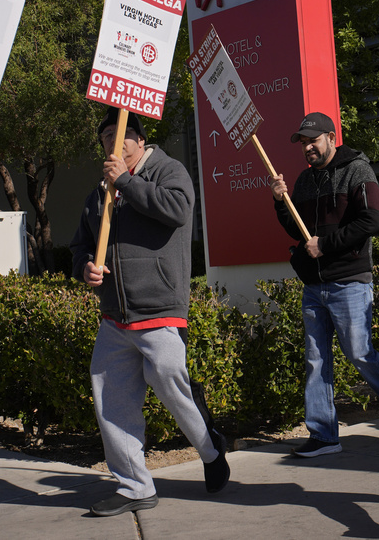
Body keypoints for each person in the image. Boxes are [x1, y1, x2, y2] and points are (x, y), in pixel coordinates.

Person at [71, 107, 228, 517]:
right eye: (106, 138)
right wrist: (85, 265)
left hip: (160, 309)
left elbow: (176, 209)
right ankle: (134, 486)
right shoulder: (98, 192)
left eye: (121, 136)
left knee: (172, 385)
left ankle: (211, 450)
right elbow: (80, 245)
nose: (113, 143)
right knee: (111, 399)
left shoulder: (169, 171)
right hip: (114, 317)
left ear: (140, 141)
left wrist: (126, 181)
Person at [270, 112, 379, 457]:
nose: (308, 147)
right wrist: (280, 203)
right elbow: (299, 232)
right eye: (303, 142)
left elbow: (372, 220)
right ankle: (324, 435)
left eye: (313, 140)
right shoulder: (305, 181)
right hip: (313, 284)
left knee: (359, 352)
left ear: (331, 137)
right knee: (316, 360)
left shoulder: (357, 170)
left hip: (350, 280)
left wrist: (326, 244)